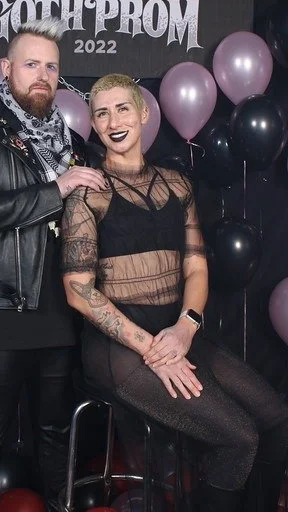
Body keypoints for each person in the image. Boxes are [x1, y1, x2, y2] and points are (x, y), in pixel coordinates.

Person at [61, 73, 288, 512]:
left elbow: (196, 266)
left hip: (177, 334)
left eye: (122, 109)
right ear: (93, 124)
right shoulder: (87, 194)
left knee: (278, 421)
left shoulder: (177, 184)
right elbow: (77, 290)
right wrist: (152, 350)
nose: (113, 122)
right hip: (118, 349)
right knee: (239, 437)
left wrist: (185, 328)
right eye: (102, 114)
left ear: (144, 113)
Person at [0, 17, 107, 512]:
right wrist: (55, 190)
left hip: (58, 313)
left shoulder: (73, 144)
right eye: (31, 64)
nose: (42, 76)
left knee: (56, 436)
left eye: (51, 67)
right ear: (6, 68)